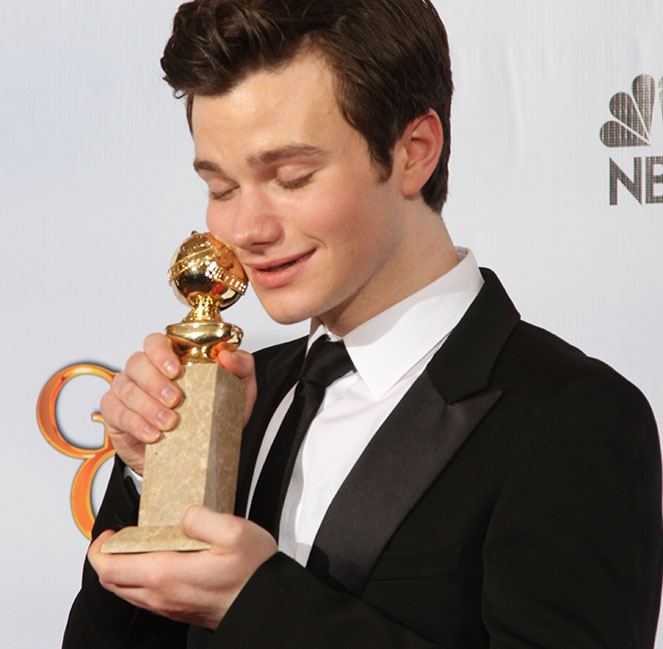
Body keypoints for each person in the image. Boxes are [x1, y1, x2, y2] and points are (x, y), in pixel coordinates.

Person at [63, 0, 663, 647]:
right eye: (221, 187)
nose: (245, 231)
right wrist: (153, 477)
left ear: (413, 152)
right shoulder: (238, 394)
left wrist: (257, 601)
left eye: (290, 178)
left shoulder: (571, 417)